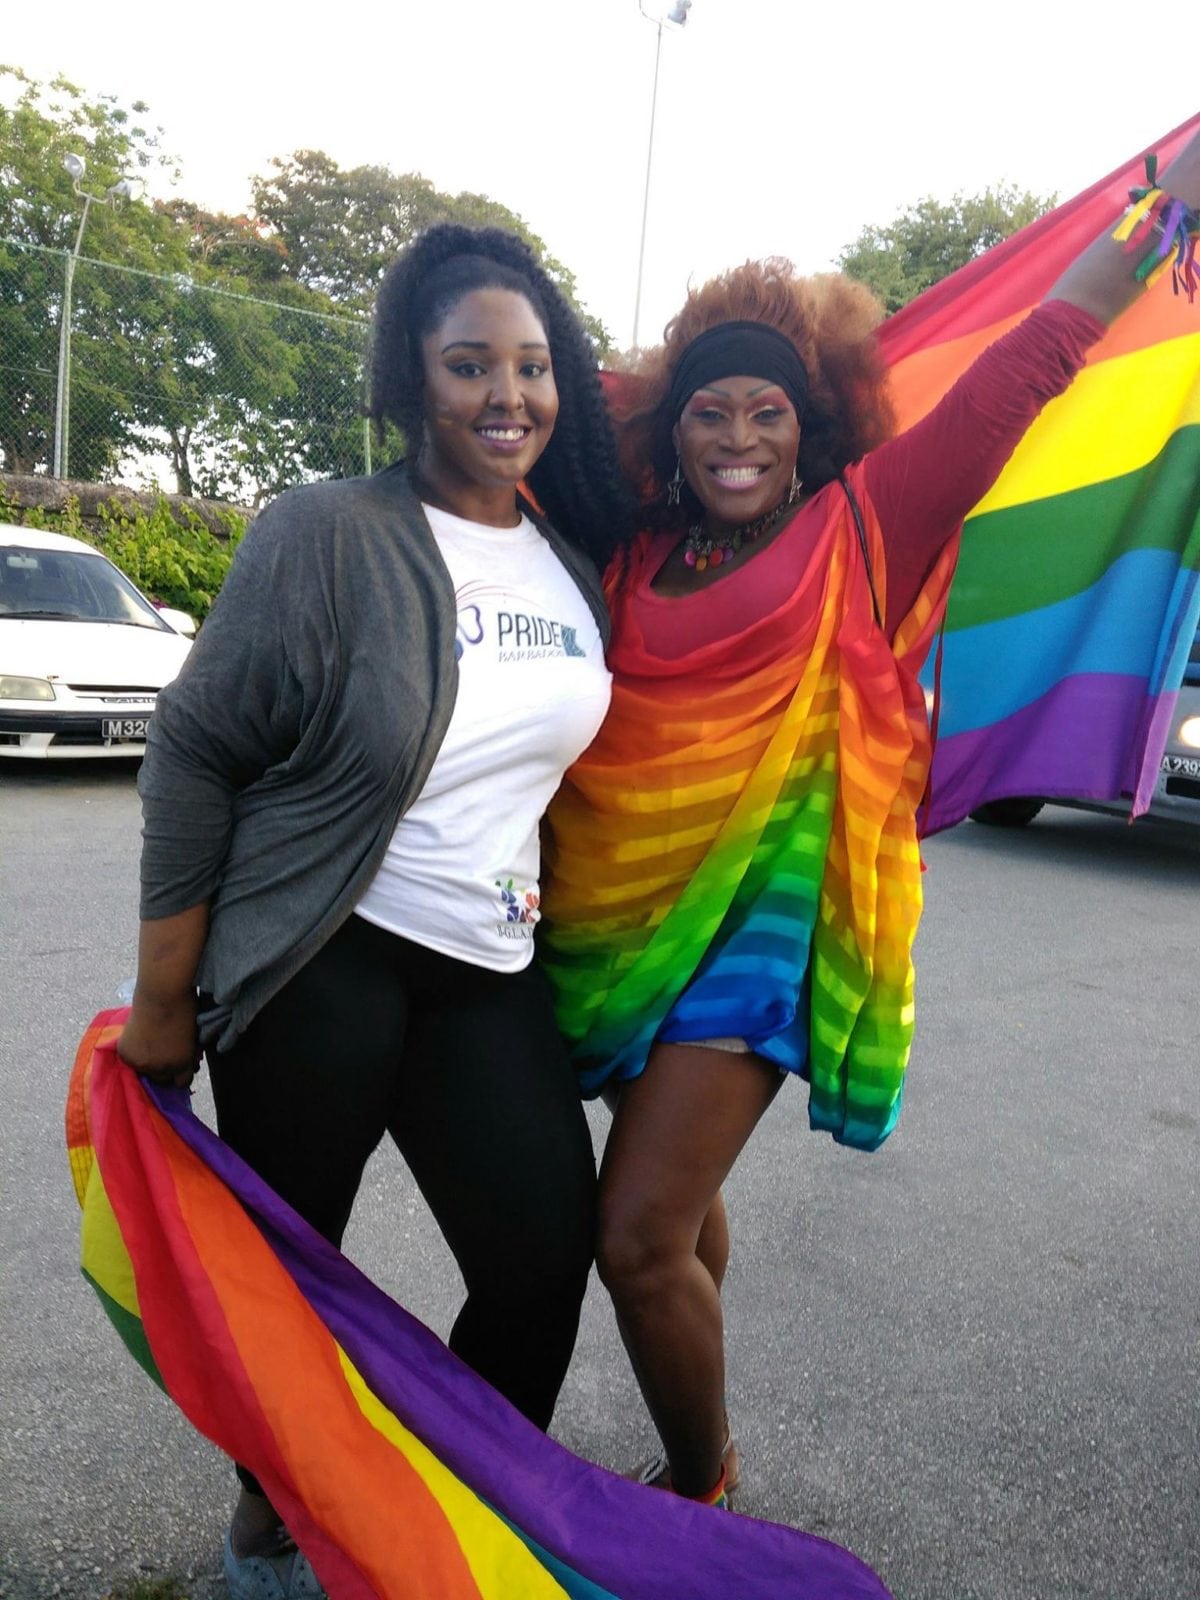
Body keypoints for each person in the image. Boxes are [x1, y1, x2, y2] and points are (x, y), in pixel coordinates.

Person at [540, 137, 1200, 1509]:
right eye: (708, 412)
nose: (736, 436)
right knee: (675, 1212)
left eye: (765, 412)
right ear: (673, 430)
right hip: (612, 930)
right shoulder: (636, 547)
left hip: (755, 945)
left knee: (637, 1237)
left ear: (812, 424)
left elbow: (1032, 362)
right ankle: (698, 1403)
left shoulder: (868, 523)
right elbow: (533, 410)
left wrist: (1160, 213)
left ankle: (702, 1484)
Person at [116, 223, 632, 1600]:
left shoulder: (571, 564)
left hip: (487, 964)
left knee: (539, 1267)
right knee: (291, 1284)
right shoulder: (328, 533)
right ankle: (270, 1529)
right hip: (321, 955)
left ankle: (429, 1537)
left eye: (532, 366)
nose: (507, 394)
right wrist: (165, 997)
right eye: (470, 365)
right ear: (412, 380)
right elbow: (198, 745)